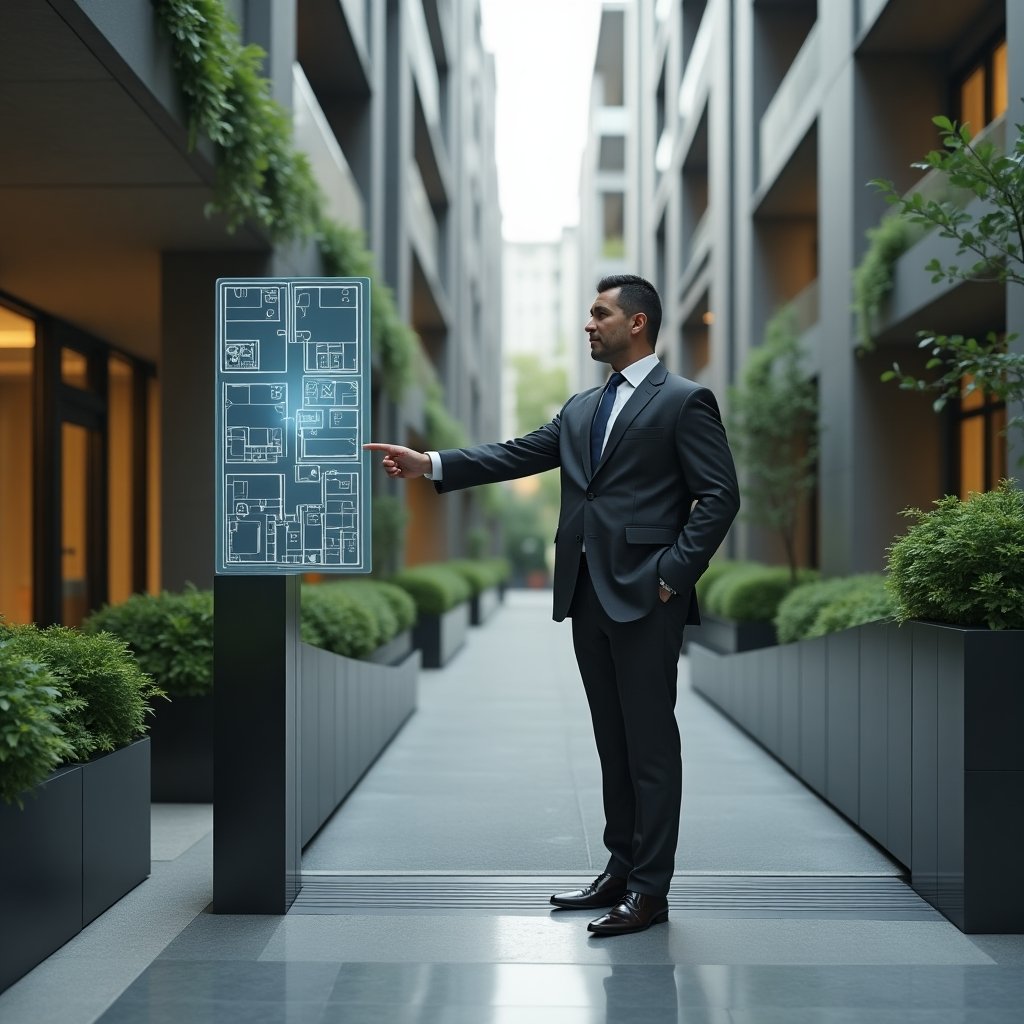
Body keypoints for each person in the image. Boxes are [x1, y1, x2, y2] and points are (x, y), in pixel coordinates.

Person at [365, 274, 739, 935]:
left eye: (602, 314)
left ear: (639, 323)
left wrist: (671, 576)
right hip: (588, 595)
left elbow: (719, 496)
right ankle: (620, 870)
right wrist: (430, 464)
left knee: (651, 746)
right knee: (612, 741)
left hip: (648, 597)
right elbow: (514, 454)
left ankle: (651, 892)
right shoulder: (580, 409)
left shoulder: (684, 401)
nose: (589, 324)